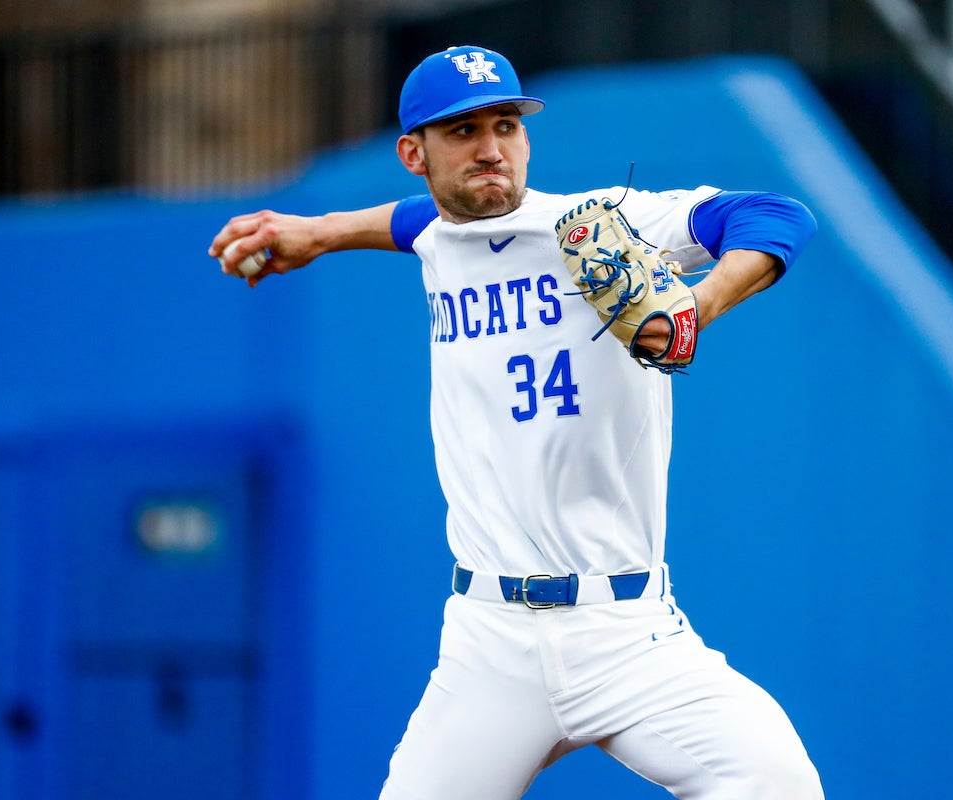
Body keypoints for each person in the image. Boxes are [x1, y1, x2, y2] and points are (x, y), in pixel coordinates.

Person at [210, 44, 824, 800]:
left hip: (626, 629)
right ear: (415, 153)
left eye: (506, 125)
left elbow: (775, 213)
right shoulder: (437, 234)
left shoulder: (597, 226)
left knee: (778, 783)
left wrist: (697, 304)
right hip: (488, 641)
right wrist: (321, 230)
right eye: (463, 132)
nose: (492, 149)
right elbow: (417, 223)